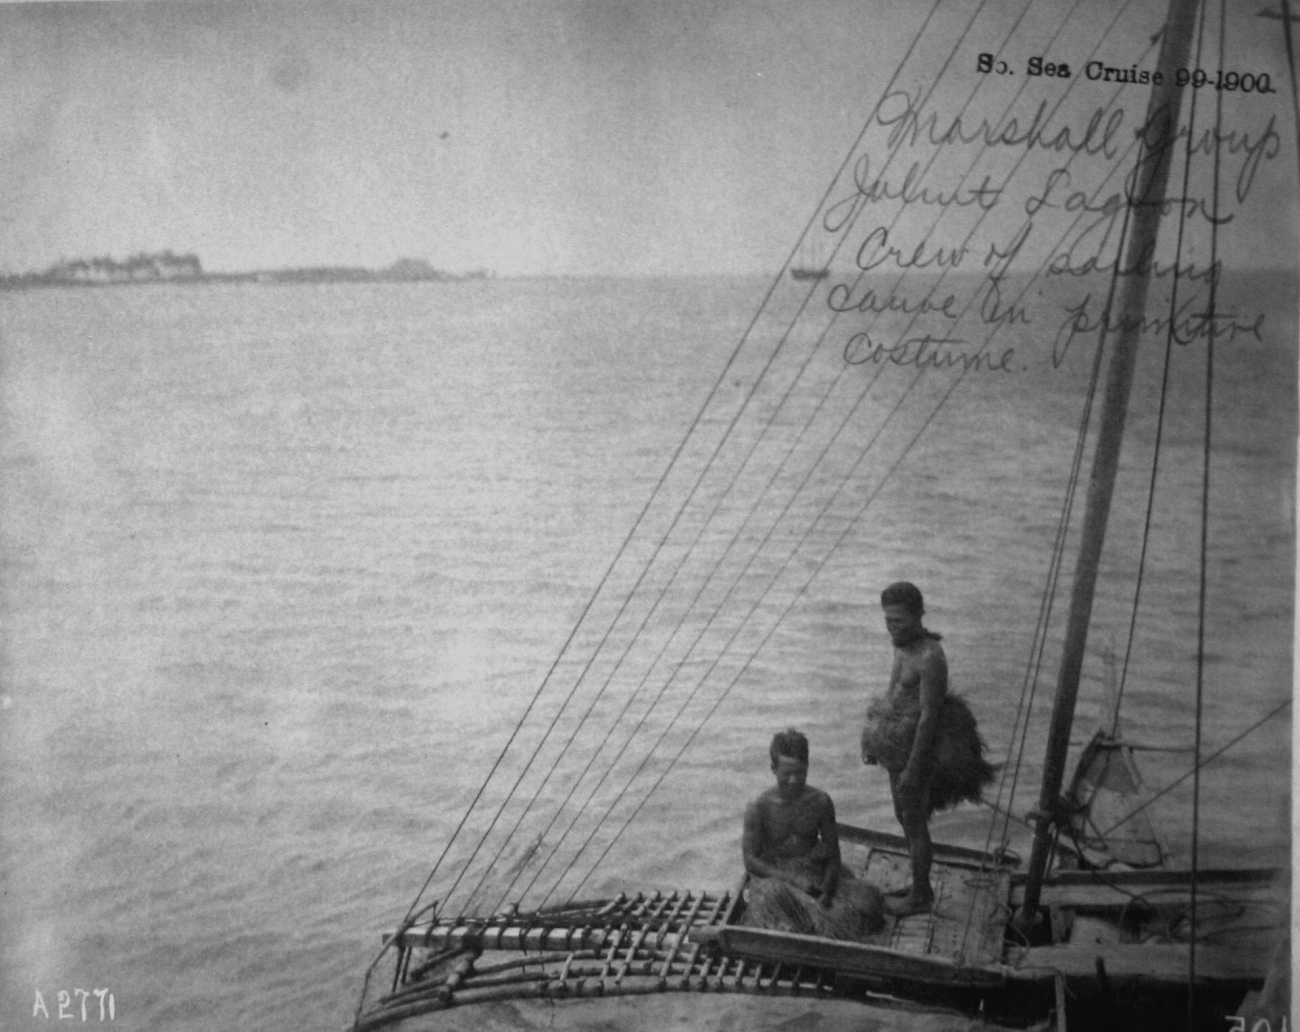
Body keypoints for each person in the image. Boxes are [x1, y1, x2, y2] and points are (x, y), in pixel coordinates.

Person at [861, 582, 996, 917]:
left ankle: (921, 895)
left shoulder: (929, 657)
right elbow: (892, 696)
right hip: (897, 748)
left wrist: (912, 769)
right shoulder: (902, 647)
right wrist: (872, 739)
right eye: (888, 620)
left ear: (919, 615)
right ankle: (918, 883)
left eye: (899, 621)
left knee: (914, 820)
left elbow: (929, 718)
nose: (892, 627)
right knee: (903, 817)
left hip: (917, 753)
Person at [742, 729, 884, 940]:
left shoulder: (820, 802)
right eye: (786, 773)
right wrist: (793, 880)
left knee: (868, 904)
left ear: (808, 767)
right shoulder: (759, 807)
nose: (793, 780)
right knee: (788, 920)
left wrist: (827, 890)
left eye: (799, 772)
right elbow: (750, 861)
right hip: (776, 875)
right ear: (773, 769)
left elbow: (833, 853)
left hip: (813, 869)